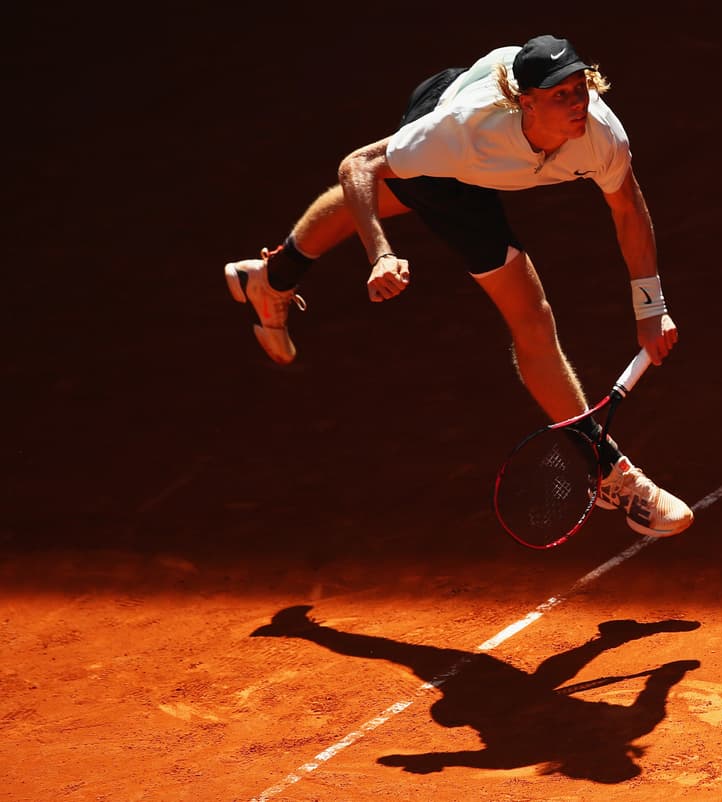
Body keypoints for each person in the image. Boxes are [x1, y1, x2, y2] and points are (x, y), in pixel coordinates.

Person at [223, 34, 692, 537]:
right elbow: (359, 165)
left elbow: (628, 209)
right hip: (445, 133)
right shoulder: (459, 135)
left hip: (458, 117)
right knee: (531, 315)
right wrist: (380, 253)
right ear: (525, 102)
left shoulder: (599, 133)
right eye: (561, 95)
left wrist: (651, 307)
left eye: (580, 88)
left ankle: (270, 279)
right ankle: (607, 470)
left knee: (394, 196)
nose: (578, 103)